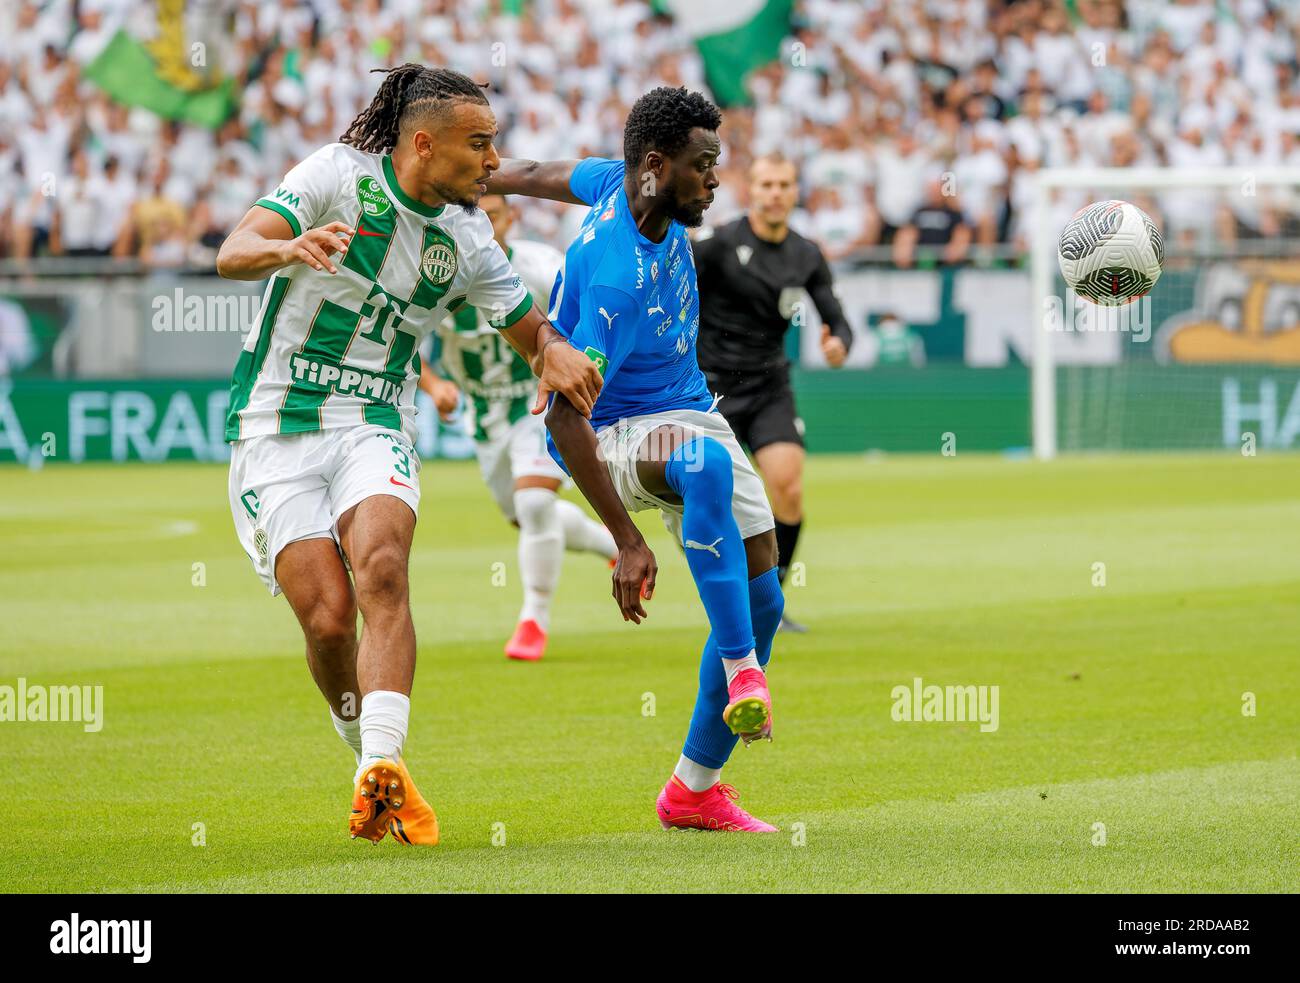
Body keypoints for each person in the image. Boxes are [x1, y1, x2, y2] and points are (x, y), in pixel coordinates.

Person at [215, 64, 602, 846]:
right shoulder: (334, 175)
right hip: (275, 425)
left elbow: (528, 327)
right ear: (423, 144)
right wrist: (288, 248)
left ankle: (382, 764)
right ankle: (365, 751)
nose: (495, 162)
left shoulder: (467, 237)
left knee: (383, 568)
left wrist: (555, 355)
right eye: (480, 145)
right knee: (327, 619)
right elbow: (232, 250)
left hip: (375, 422)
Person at [488, 86, 785, 832]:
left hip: (693, 408)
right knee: (704, 468)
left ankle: (693, 788)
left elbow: (543, 171)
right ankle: (742, 670)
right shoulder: (616, 282)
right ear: (657, 165)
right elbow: (562, 415)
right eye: (703, 164)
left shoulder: (622, 180)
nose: (717, 180)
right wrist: (626, 538)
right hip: (623, 431)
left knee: (767, 600)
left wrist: (481, 175)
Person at [419, 193, 616, 661]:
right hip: (485, 414)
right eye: (473, 216)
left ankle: (534, 619)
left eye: (494, 215)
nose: (484, 224)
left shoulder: (540, 266)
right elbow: (403, 339)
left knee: (533, 503)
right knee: (528, 515)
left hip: (539, 405)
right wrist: (434, 386)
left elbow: (585, 316)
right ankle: (610, 542)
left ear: (513, 217)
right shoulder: (435, 269)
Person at [693, 153, 854, 632]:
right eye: (767, 184)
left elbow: (837, 316)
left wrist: (839, 342)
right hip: (712, 387)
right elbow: (675, 293)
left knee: (787, 487)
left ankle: (769, 602)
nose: (776, 192)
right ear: (752, 191)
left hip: (768, 387)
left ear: (795, 192)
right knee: (709, 497)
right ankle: (726, 600)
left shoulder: (806, 253)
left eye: (784, 184)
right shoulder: (720, 243)